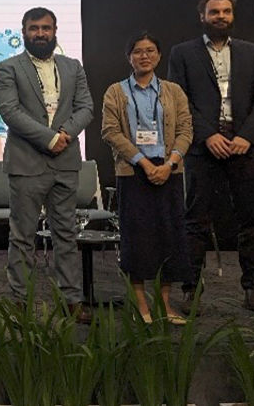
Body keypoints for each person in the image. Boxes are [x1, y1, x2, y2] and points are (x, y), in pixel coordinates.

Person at [168, 0, 254, 314]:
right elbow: (178, 98)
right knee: (195, 222)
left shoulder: (250, 53)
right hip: (203, 149)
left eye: (226, 12)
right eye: (214, 12)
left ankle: (253, 287)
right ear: (203, 16)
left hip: (244, 148)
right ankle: (190, 290)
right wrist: (208, 135)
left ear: (232, 16)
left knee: (252, 220)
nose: (221, 17)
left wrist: (245, 135)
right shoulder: (182, 53)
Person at [0, 7, 94, 324]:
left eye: (46, 28)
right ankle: (20, 302)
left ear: (55, 30)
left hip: (65, 164)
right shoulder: (7, 67)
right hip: (27, 163)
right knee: (22, 237)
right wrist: (50, 139)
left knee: (66, 235)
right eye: (34, 28)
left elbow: (86, 106)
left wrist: (66, 134)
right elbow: (10, 111)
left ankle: (72, 300)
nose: (40, 33)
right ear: (23, 32)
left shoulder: (72, 66)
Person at [101, 32, 192, 324]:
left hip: (169, 171)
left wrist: (170, 163)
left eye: (150, 50)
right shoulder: (116, 91)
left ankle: (164, 305)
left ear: (159, 55)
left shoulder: (174, 91)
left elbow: (186, 131)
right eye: (138, 51)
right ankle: (141, 305)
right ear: (129, 57)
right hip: (133, 173)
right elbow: (110, 131)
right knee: (137, 239)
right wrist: (142, 162)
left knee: (170, 237)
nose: (144, 55)